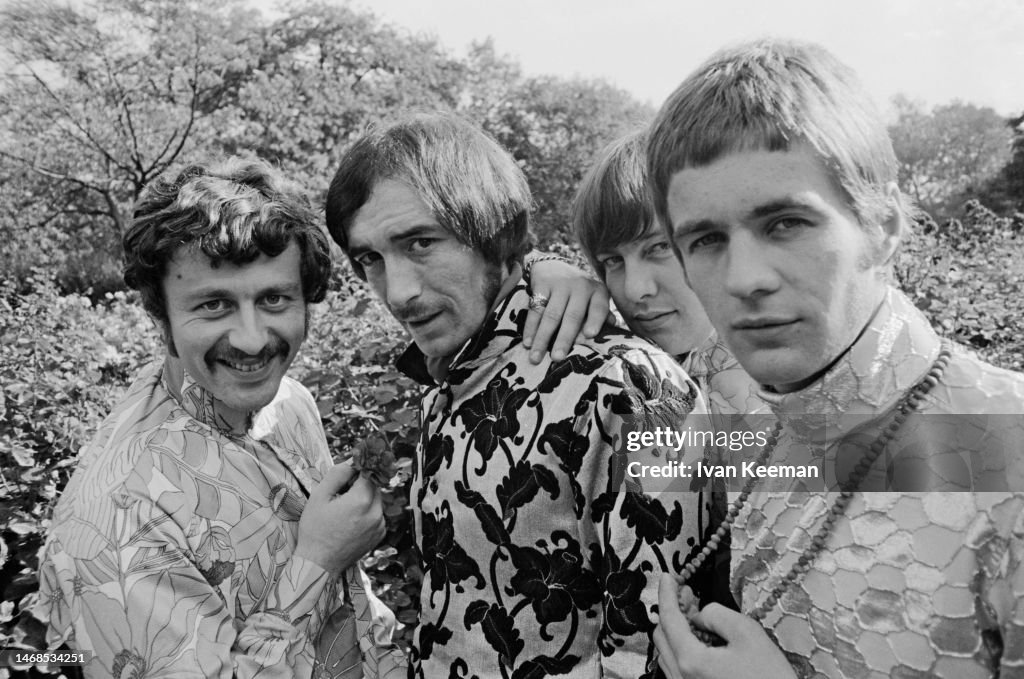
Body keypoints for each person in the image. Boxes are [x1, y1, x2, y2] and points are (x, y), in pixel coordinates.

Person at [646, 39, 1024, 679]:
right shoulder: (749, 414)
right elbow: (652, 449)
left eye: (786, 224)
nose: (744, 279)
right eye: (706, 240)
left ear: (883, 226)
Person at [325, 111, 710, 679]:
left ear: (494, 235)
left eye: (422, 243)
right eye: (371, 260)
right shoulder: (446, 392)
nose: (399, 291)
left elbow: (651, 651)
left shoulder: (622, 386)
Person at [36, 159, 399, 678]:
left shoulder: (290, 402)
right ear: (160, 316)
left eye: (274, 299)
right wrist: (319, 561)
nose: (252, 340)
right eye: (213, 305)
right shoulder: (117, 521)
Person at [571, 129, 765, 611]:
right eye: (612, 261)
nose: (634, 289)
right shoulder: (623, 379)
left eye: (658, 248)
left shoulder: (786, 386)